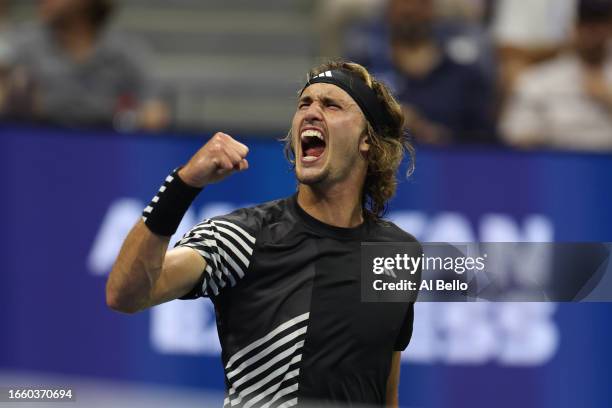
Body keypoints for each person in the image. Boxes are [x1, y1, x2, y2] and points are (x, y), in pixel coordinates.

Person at [106, 60, 421, 407]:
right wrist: (184, 183)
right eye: (305, 103)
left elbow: (385, 392)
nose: (311, 113)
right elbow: (125, 294)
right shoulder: (241, 237)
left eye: (331, 105)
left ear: (368, 141)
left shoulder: (397, 252)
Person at [344, 0, 496, 145]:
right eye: (402, 2)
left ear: (432, 8)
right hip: (377, 165)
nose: (410, 10)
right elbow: (343, 123)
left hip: (448, 165)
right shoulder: (362, 72)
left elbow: (487, 142)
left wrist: (438, 136)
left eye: (420, 2)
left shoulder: (464, 77)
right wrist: (386, 121)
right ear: (389, 7)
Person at [0, 0, 168, 131]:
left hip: (105, 150)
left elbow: (154, 113)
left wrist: (131, 121)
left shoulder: (126, 50)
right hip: (36, 144)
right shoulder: (24, 44)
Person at [500, 0, 612, 151]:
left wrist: (607, 100)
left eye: (601, 25)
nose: (594, 34)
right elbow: (515, 134)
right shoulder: (540, 80)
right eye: (587, 26)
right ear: (574, 28)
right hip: (556, 163)